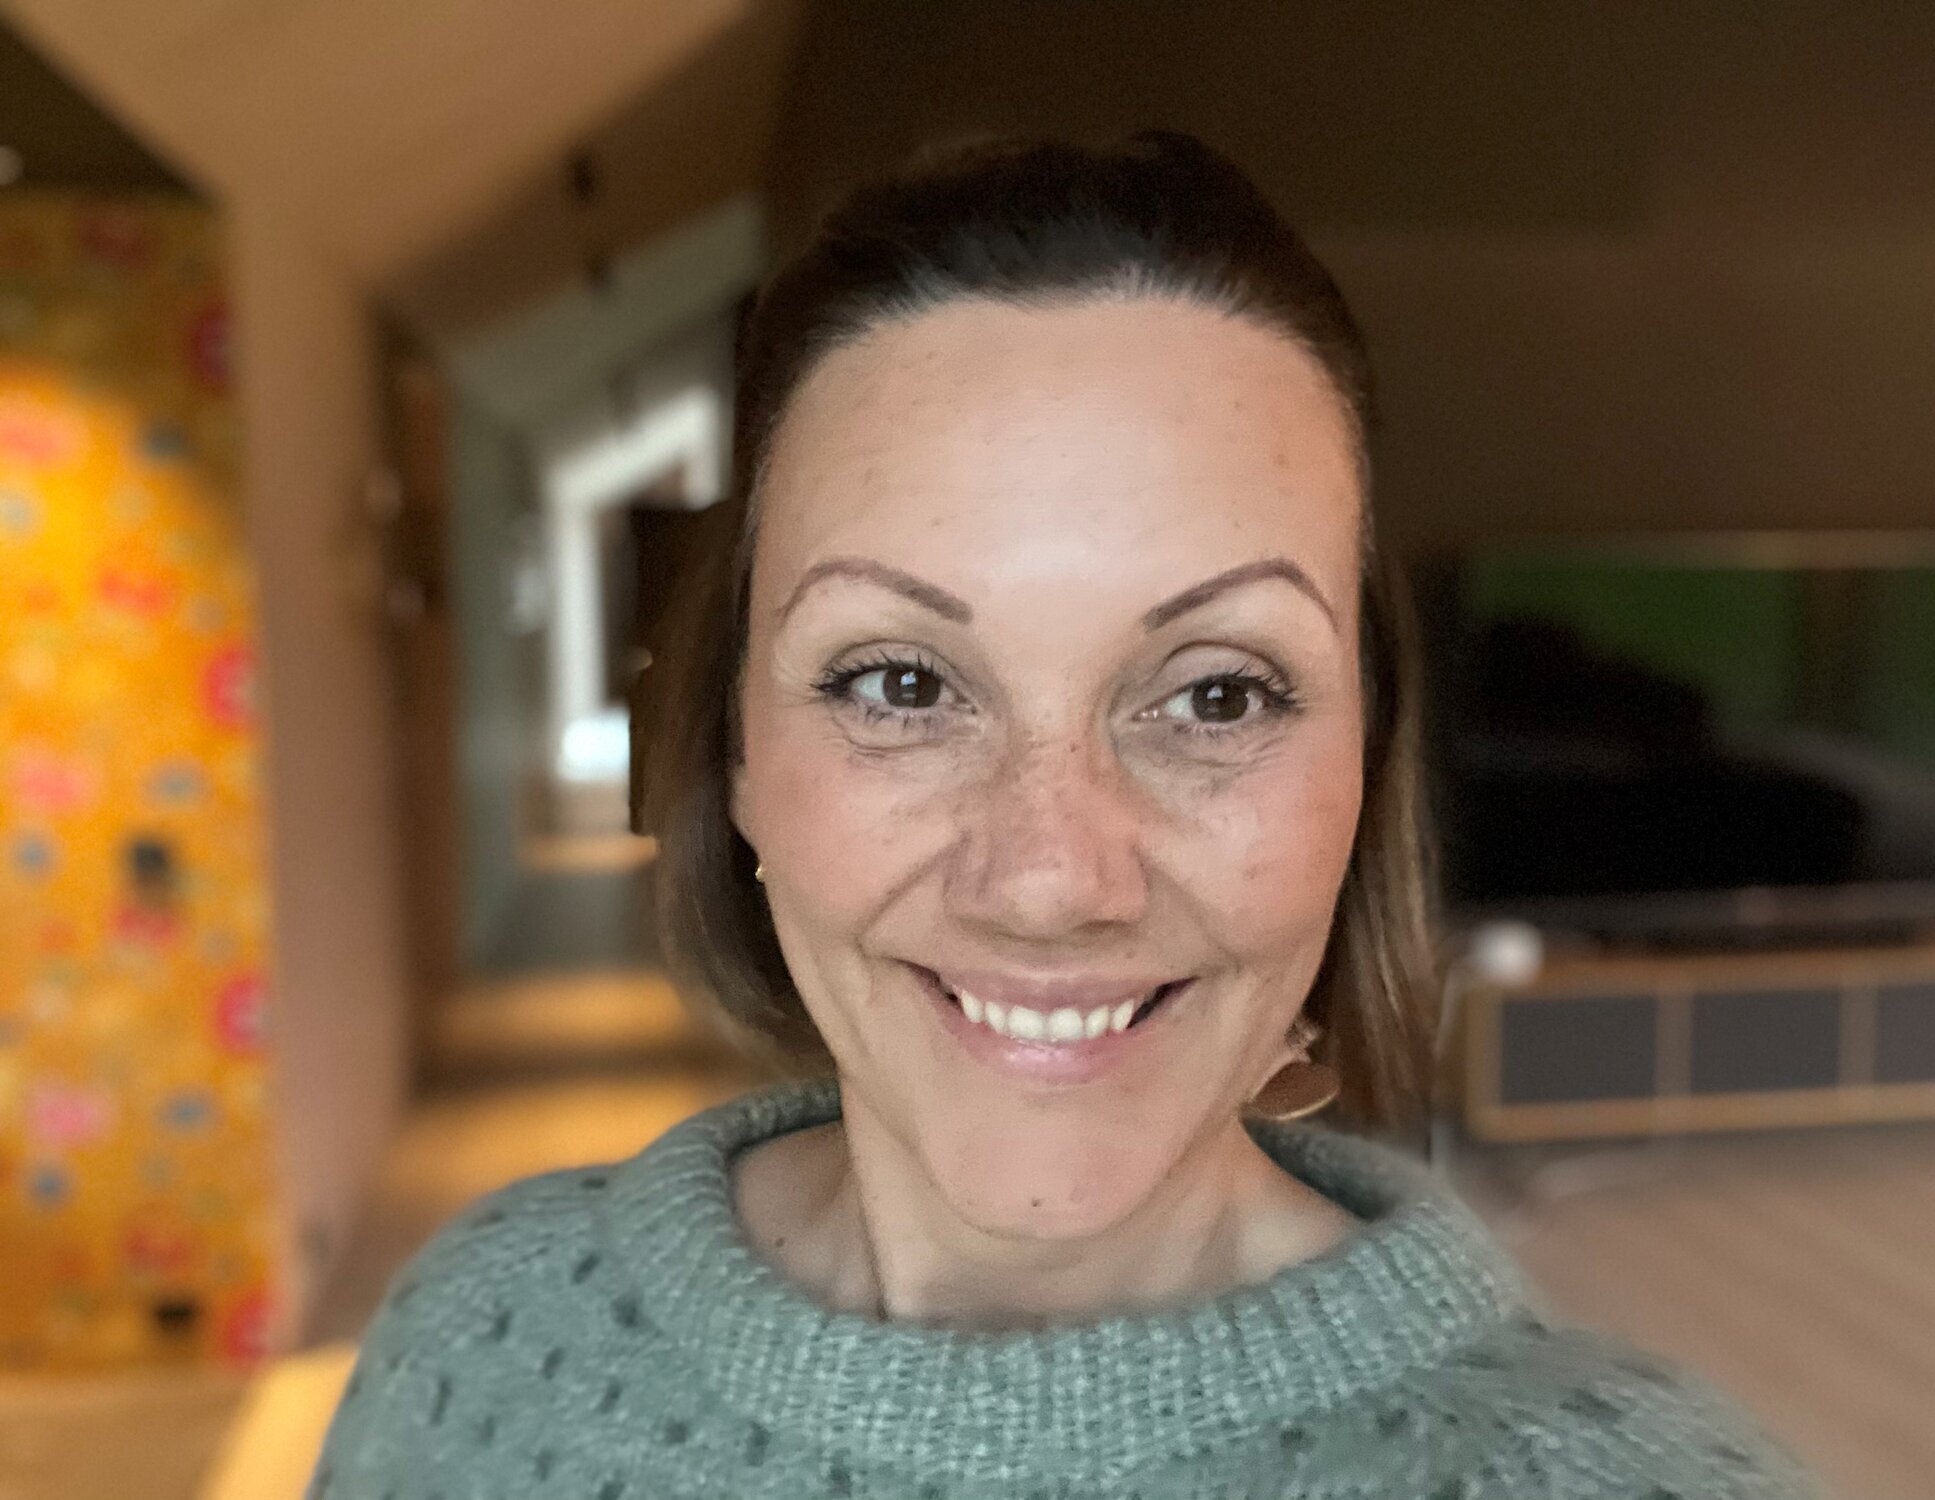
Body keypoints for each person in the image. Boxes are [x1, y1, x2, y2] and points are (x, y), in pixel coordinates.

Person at [312, 130, 1817, 1499]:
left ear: (1366, 767)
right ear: (739, 754)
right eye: (901, 683)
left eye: (1216, 697)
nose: (1048, 879)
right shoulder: (484, 1355)